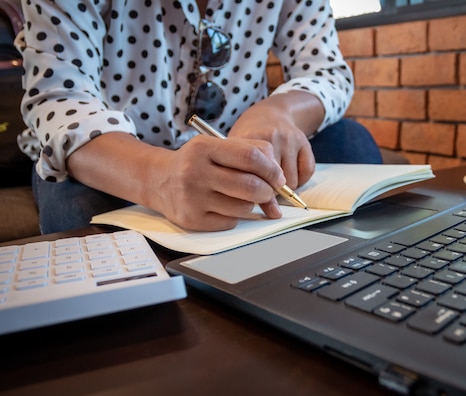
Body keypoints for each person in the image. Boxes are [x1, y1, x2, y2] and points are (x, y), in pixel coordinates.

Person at [15, 0, 382, 234]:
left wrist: (277, 112)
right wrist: (158, 178)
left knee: (352, 142)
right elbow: (59, 97)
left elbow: (326, 70)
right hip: (111, 155)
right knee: (81, 209)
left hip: (241, 150)